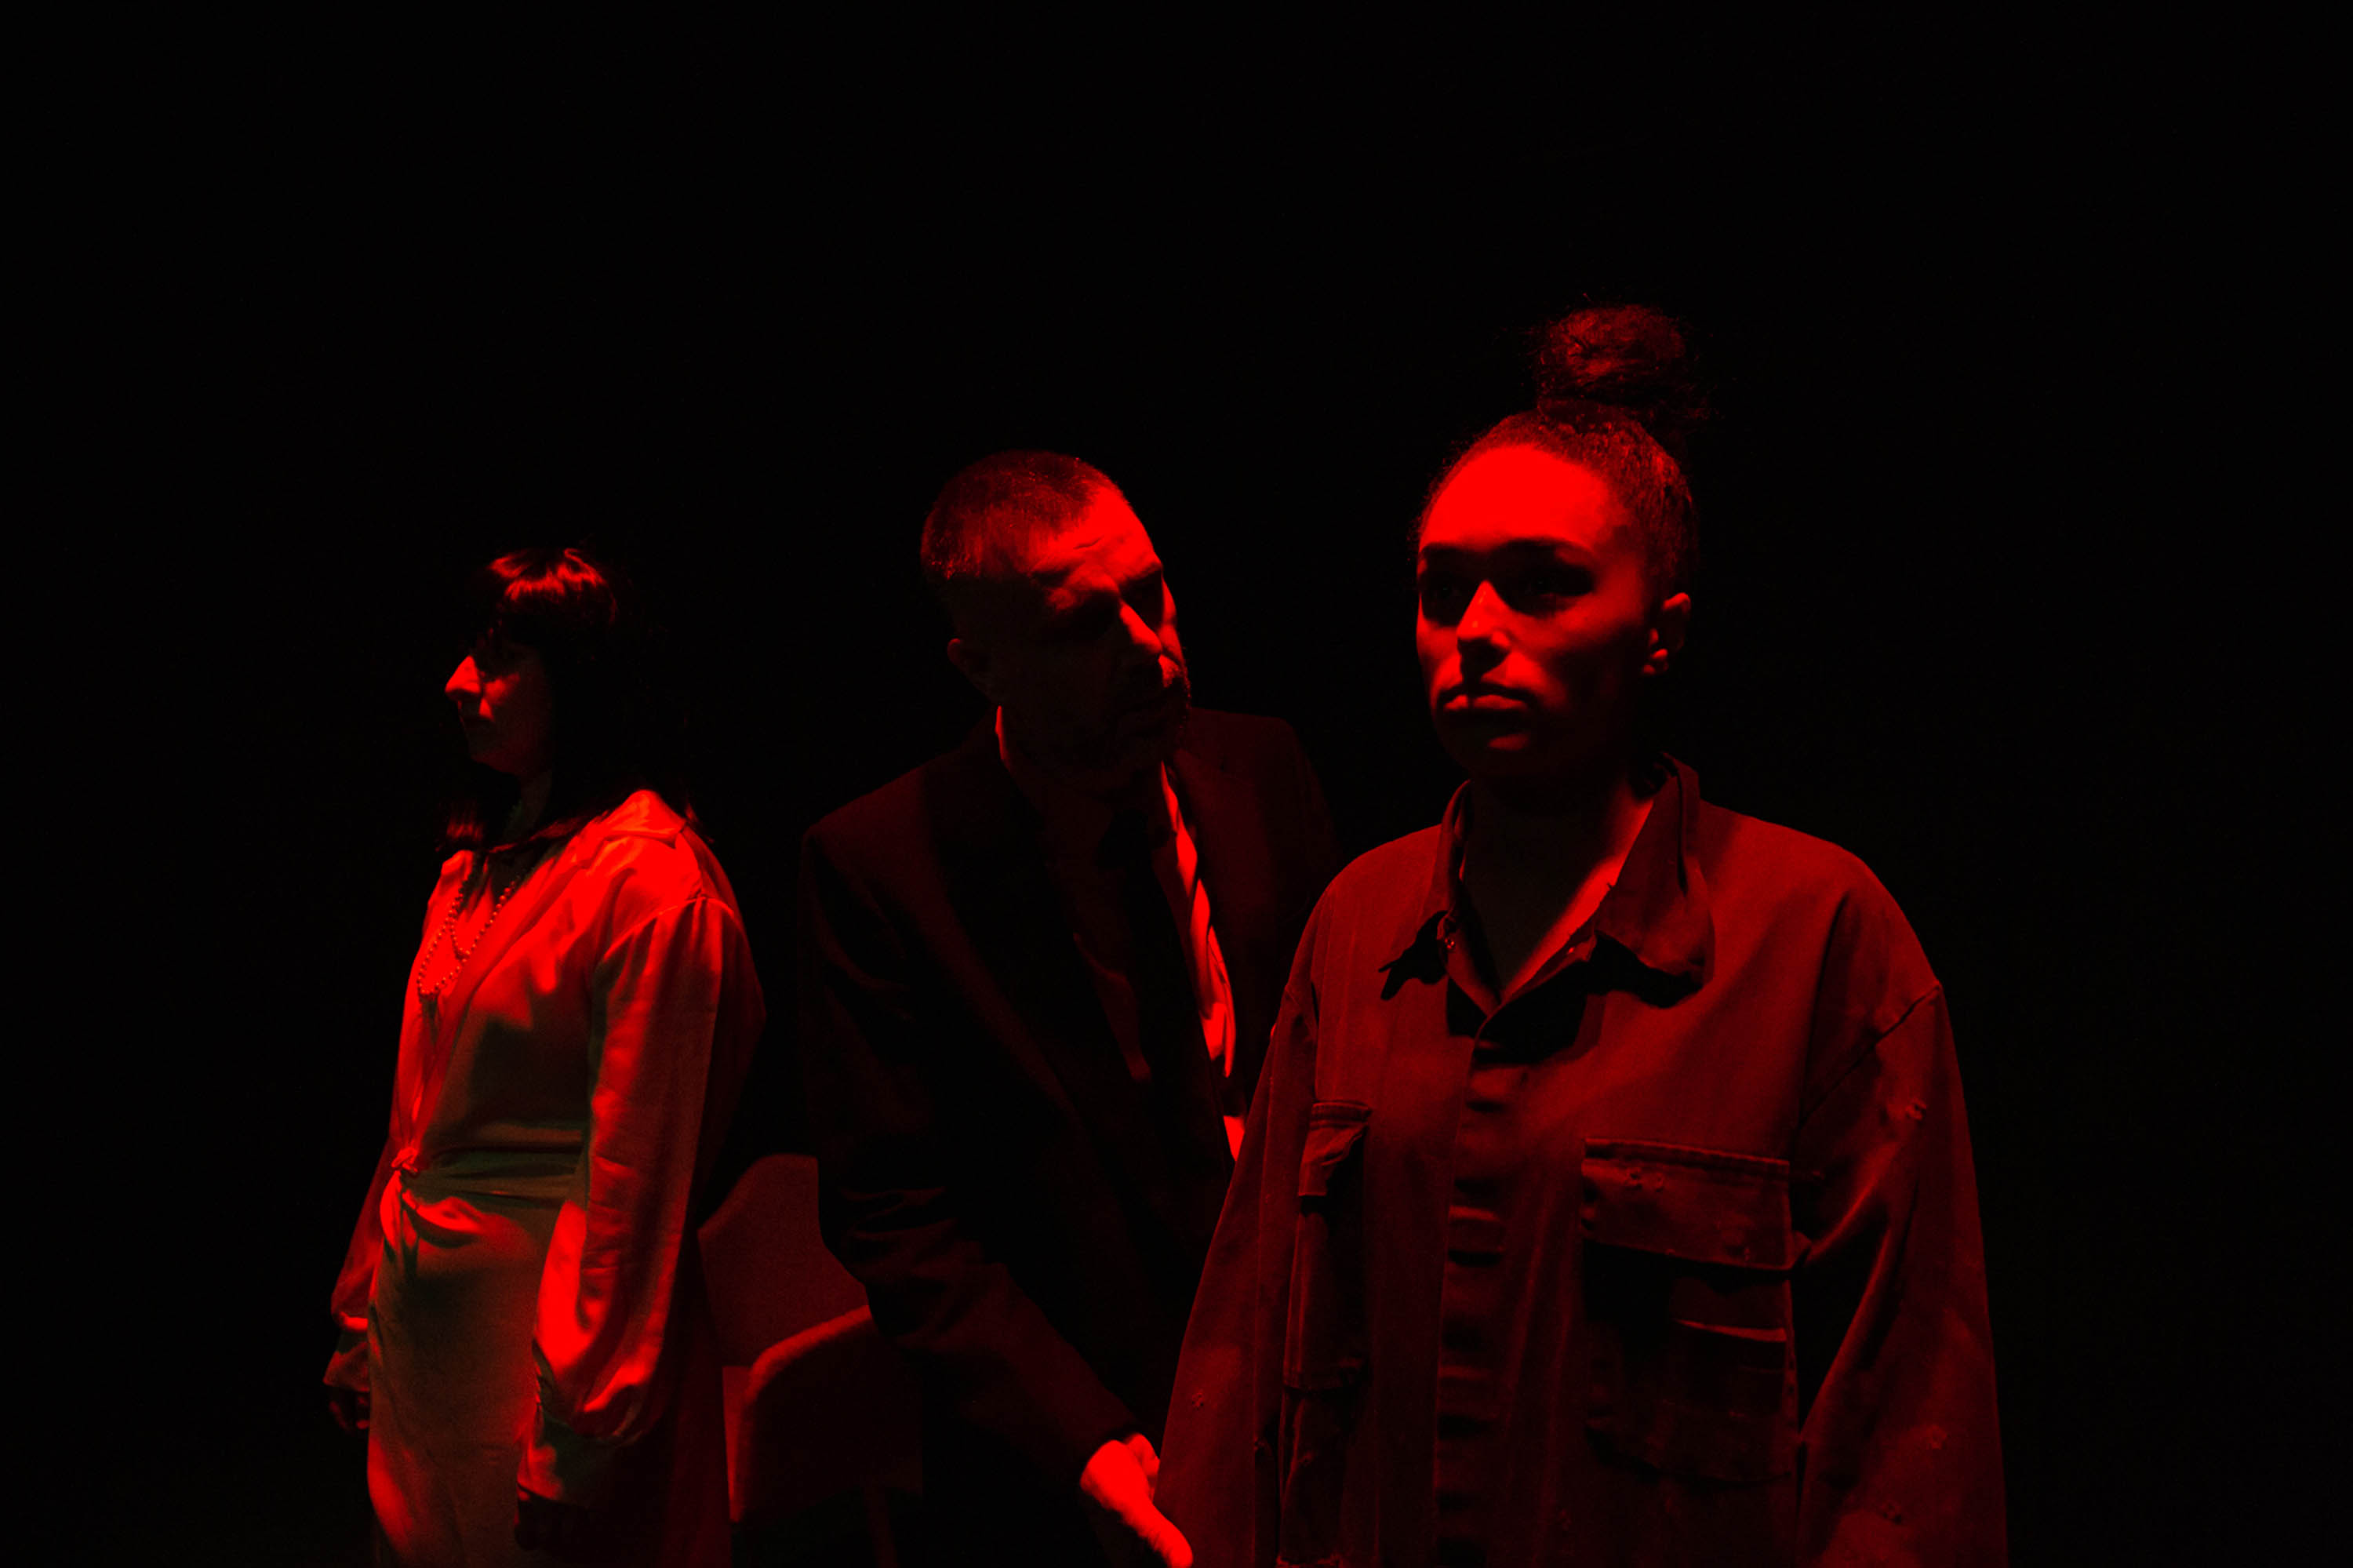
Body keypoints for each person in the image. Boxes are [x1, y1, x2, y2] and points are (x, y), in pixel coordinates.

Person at [1158, 307, 2005, 1566]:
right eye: (1442, 589)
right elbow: (1250, 1333)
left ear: (1661, 629)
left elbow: (1905, 1431)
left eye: (1544, 583)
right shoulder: (1362, 928)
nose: (1476, 630)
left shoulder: (1814, 936)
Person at [796, 452, 1340, 1565]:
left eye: (1153, 593)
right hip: (1058, 1475)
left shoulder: (1262, 766)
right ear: (983, 667)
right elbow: (892, 1215)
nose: (1151, 647)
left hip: (1302, 1418)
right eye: (1085, 627)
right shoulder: (882, 867)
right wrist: (1080, 1439)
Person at [325, 547, 763, 1566]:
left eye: (498, 657)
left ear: (582, 681)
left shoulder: (650, 885)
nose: (457, 683)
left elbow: (633, 1184)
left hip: (538, 1368)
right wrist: (362, 1315)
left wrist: (577, 1433)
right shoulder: (475, 871)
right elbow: (414, 1128)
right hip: (431, 1346)